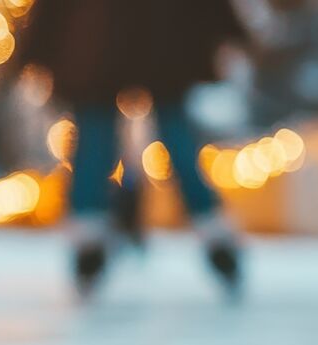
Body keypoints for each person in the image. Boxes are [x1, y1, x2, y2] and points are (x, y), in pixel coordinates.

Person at [15, 0, 248, 300]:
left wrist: (34, 48)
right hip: (150, 40)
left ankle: (90, 243)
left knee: (100, 143)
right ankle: (216, 240)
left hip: (108, 42)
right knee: (163, 139)